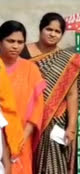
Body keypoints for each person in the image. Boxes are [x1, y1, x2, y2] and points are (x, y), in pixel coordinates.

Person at [20, 12, 80, 174]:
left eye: (57, 32)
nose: (52, 34)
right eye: (48, 29)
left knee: (52, 165)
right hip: (25, 116)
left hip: (55, 117)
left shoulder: (67, 60)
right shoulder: (21, 52)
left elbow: (72, 95)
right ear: (40, 29)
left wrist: (71, 126)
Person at [0, 20, 45, 174]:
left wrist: (23, 136)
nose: (15, 46)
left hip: (21, 137)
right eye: (10, 41)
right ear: (0, 42)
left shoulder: (30, 69)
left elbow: (38, 107)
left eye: (20, 42)